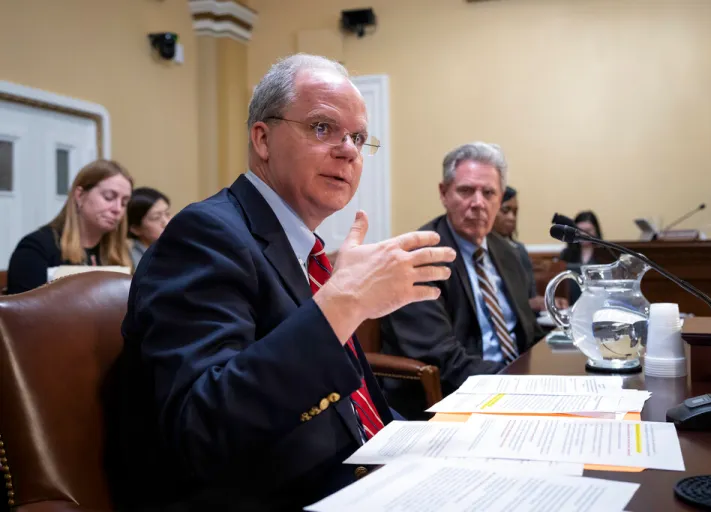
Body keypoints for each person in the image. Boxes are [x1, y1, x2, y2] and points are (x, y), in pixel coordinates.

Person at [108, 54, 456, 511]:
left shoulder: (301, 248)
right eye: (321, 128)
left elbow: (353, 414)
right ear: (263, 138)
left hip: (362, 475)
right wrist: (343, 304)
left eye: (356, 137)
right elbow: (202, 428)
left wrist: (432, 444)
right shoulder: (205, 235)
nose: (348, 150)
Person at [379, 142, 545, 420]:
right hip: (455, 400)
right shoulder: (420, 257)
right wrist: (521, 386)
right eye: (466, 190)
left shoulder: (507, 252)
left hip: (514, 392)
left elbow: (527, 333)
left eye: (489, 193)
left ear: (500, 197)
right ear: (444, 193)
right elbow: (443, 361)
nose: (478, 203)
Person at [6, 159, 133, 295]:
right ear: (79, 195)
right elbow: (23, 312)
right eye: (108, 197)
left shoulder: (121, 252)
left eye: (124, 203)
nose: (118, 209)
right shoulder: (37, 247)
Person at [493, 186, 567, 312]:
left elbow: (531, 296)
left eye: (515, 212)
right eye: (505, 211)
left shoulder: (519, 249)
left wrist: (548, 301)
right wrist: (528, 304)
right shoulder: (482, 250)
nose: (512, 217)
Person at [560, 210, 603, 303]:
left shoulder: (604, 253)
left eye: (588, 231)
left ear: (596, 231)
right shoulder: (566, 254)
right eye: (580, 231)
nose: (583, 234)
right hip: (571, 303)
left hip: (598, 301)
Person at [126, 187, 172, 268]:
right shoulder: (131, 261)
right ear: (136, 229)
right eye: (156, 217)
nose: (167, 222)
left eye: (167, 214)